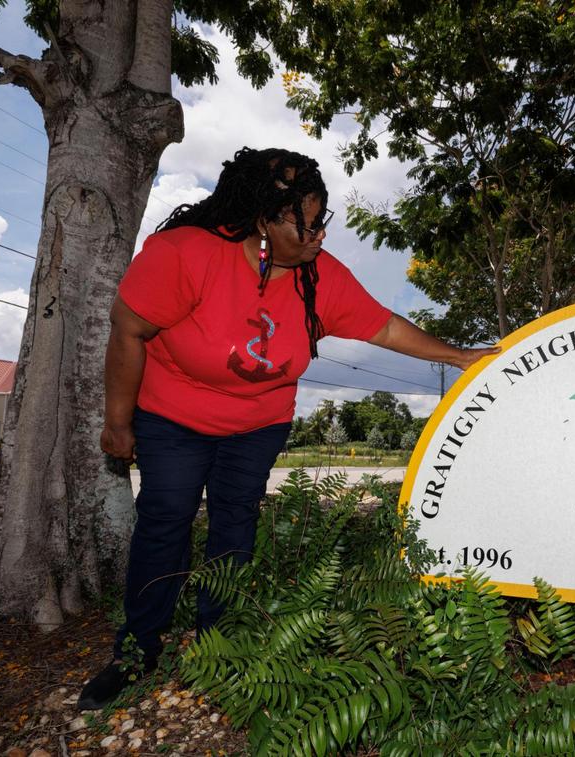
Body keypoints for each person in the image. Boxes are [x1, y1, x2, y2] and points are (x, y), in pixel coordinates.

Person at [77, 147, 498, 710]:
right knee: (164, 522)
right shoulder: (185, 254)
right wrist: (118, 422)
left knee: (234, 527)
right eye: (305, 223)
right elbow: (127, 333)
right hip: (173, 418)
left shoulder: (320, 278)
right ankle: (136, 651)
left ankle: (219, 644)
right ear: (262, 219)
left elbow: (388, 329)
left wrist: (460, 357)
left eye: (322, 221)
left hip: (256, 424)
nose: (318, 235)